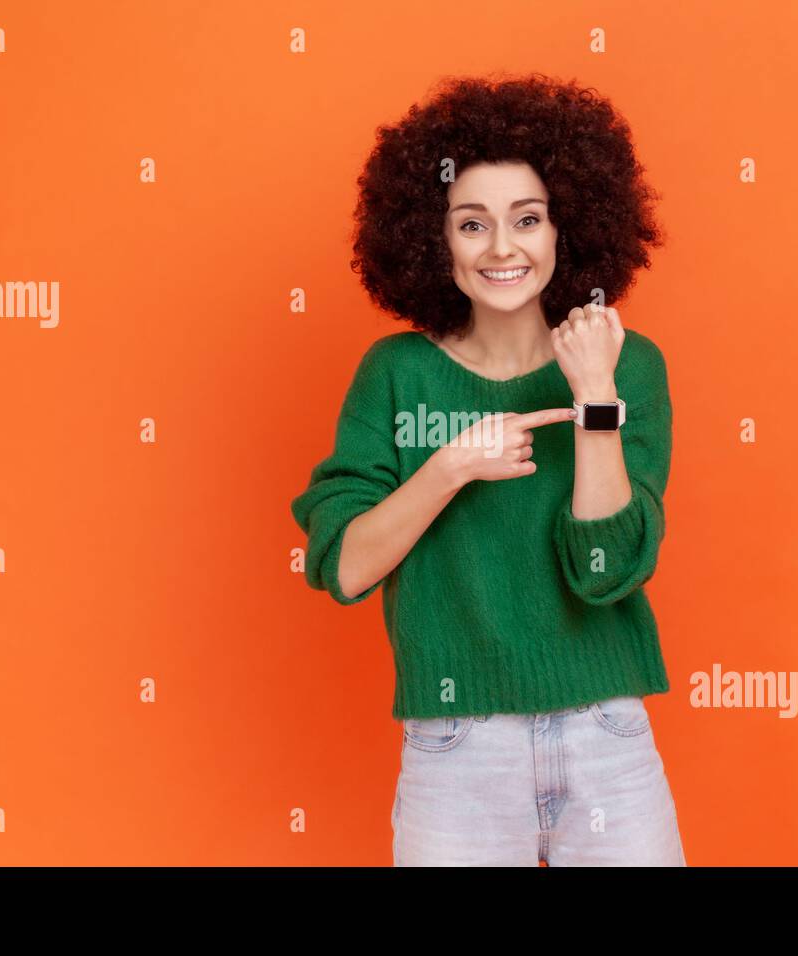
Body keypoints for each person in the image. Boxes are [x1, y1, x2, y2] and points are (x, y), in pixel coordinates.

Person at [290, 72, 685, 866]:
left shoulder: (622, 362)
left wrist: (595, 398)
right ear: (434, 240)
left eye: (527, 220)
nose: (503, 248)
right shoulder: (395, 373)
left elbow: (606, 572)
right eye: (472, 224)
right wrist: (447, 469)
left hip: (606, 733)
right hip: (457, 743)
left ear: (564, 230)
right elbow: (344, 568)